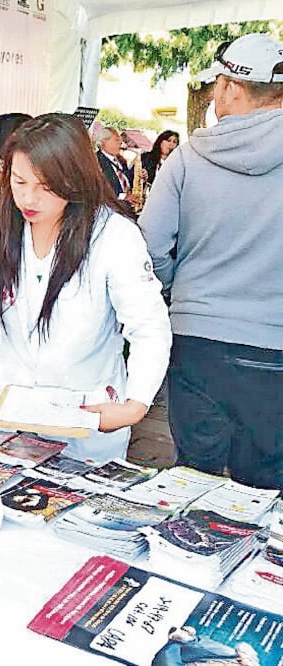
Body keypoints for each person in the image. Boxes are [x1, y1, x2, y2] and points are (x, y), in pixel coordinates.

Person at [0, 113, 172, 462]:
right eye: (19, 182)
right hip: (4, 409)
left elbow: (148, 326)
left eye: (46, 186)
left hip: (85, 413)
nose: (29, 199)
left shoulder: (113, 236)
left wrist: (136, 403)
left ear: (75, 178)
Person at [140, 33, 283, 492]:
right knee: (265, 486)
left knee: (192, 483)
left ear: (232, 89)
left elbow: (151, 248)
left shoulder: (187, 157)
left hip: (197, 342)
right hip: (274, 346)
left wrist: (180, 290)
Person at [95, 126, 140, 210]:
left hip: (126, 208)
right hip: (110, 209)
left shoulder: (121, 160)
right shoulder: (96, 161)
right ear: (104, 142)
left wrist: (139, 175)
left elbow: (127, 180)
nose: (120, 142)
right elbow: (100, 189)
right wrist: (123, 196)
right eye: (116, 140)